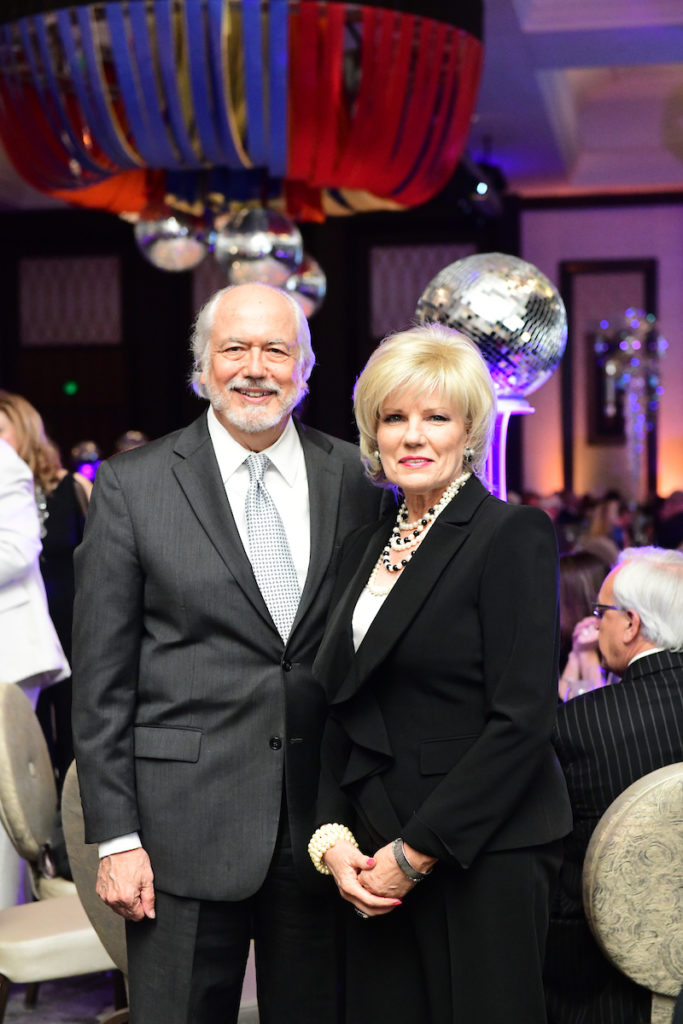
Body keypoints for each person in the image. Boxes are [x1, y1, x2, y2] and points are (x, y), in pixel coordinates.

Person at [71, 282, 386, 1024]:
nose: (254, 368)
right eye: (234, 348)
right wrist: (116, 838)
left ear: (304, 368)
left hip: (325, 827)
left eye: (276, 349)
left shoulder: (358, 479)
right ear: (201, 366)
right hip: (180, 828)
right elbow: (102, 683)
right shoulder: (133, 486)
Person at [308, 323, 573, 1024]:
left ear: (468, 431)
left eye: (436, 418)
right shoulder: (362, 547)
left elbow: (522, 720)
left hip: (483, 846)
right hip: (374, 845)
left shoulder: (510, 534)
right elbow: (341, 703)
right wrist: (334, 840)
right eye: (394, 417)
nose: (413, 436)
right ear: (373, 433)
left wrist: (416, 852)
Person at [545, 546, 683, 1024]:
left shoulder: (576, 725)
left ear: (630, 624)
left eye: (600, 611)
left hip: (596, 977)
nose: (594, 622)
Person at [0, 390, 92, 786]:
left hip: (68, 612)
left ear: (24, 430)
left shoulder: (69, 485)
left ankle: (72, 800)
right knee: (29, 734)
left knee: (71, 713)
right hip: (36, 611)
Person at [0, 437, 69, 906]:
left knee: (7, 808)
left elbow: (17, 549)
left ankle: (10, 925)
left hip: (9, 655)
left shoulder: (2, 460)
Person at [558, 551, 611, 701]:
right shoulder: (559, 645)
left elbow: (602, 707)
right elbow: (559, 705)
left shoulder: (612, 649)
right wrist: (576, 654)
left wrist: (587, 654)